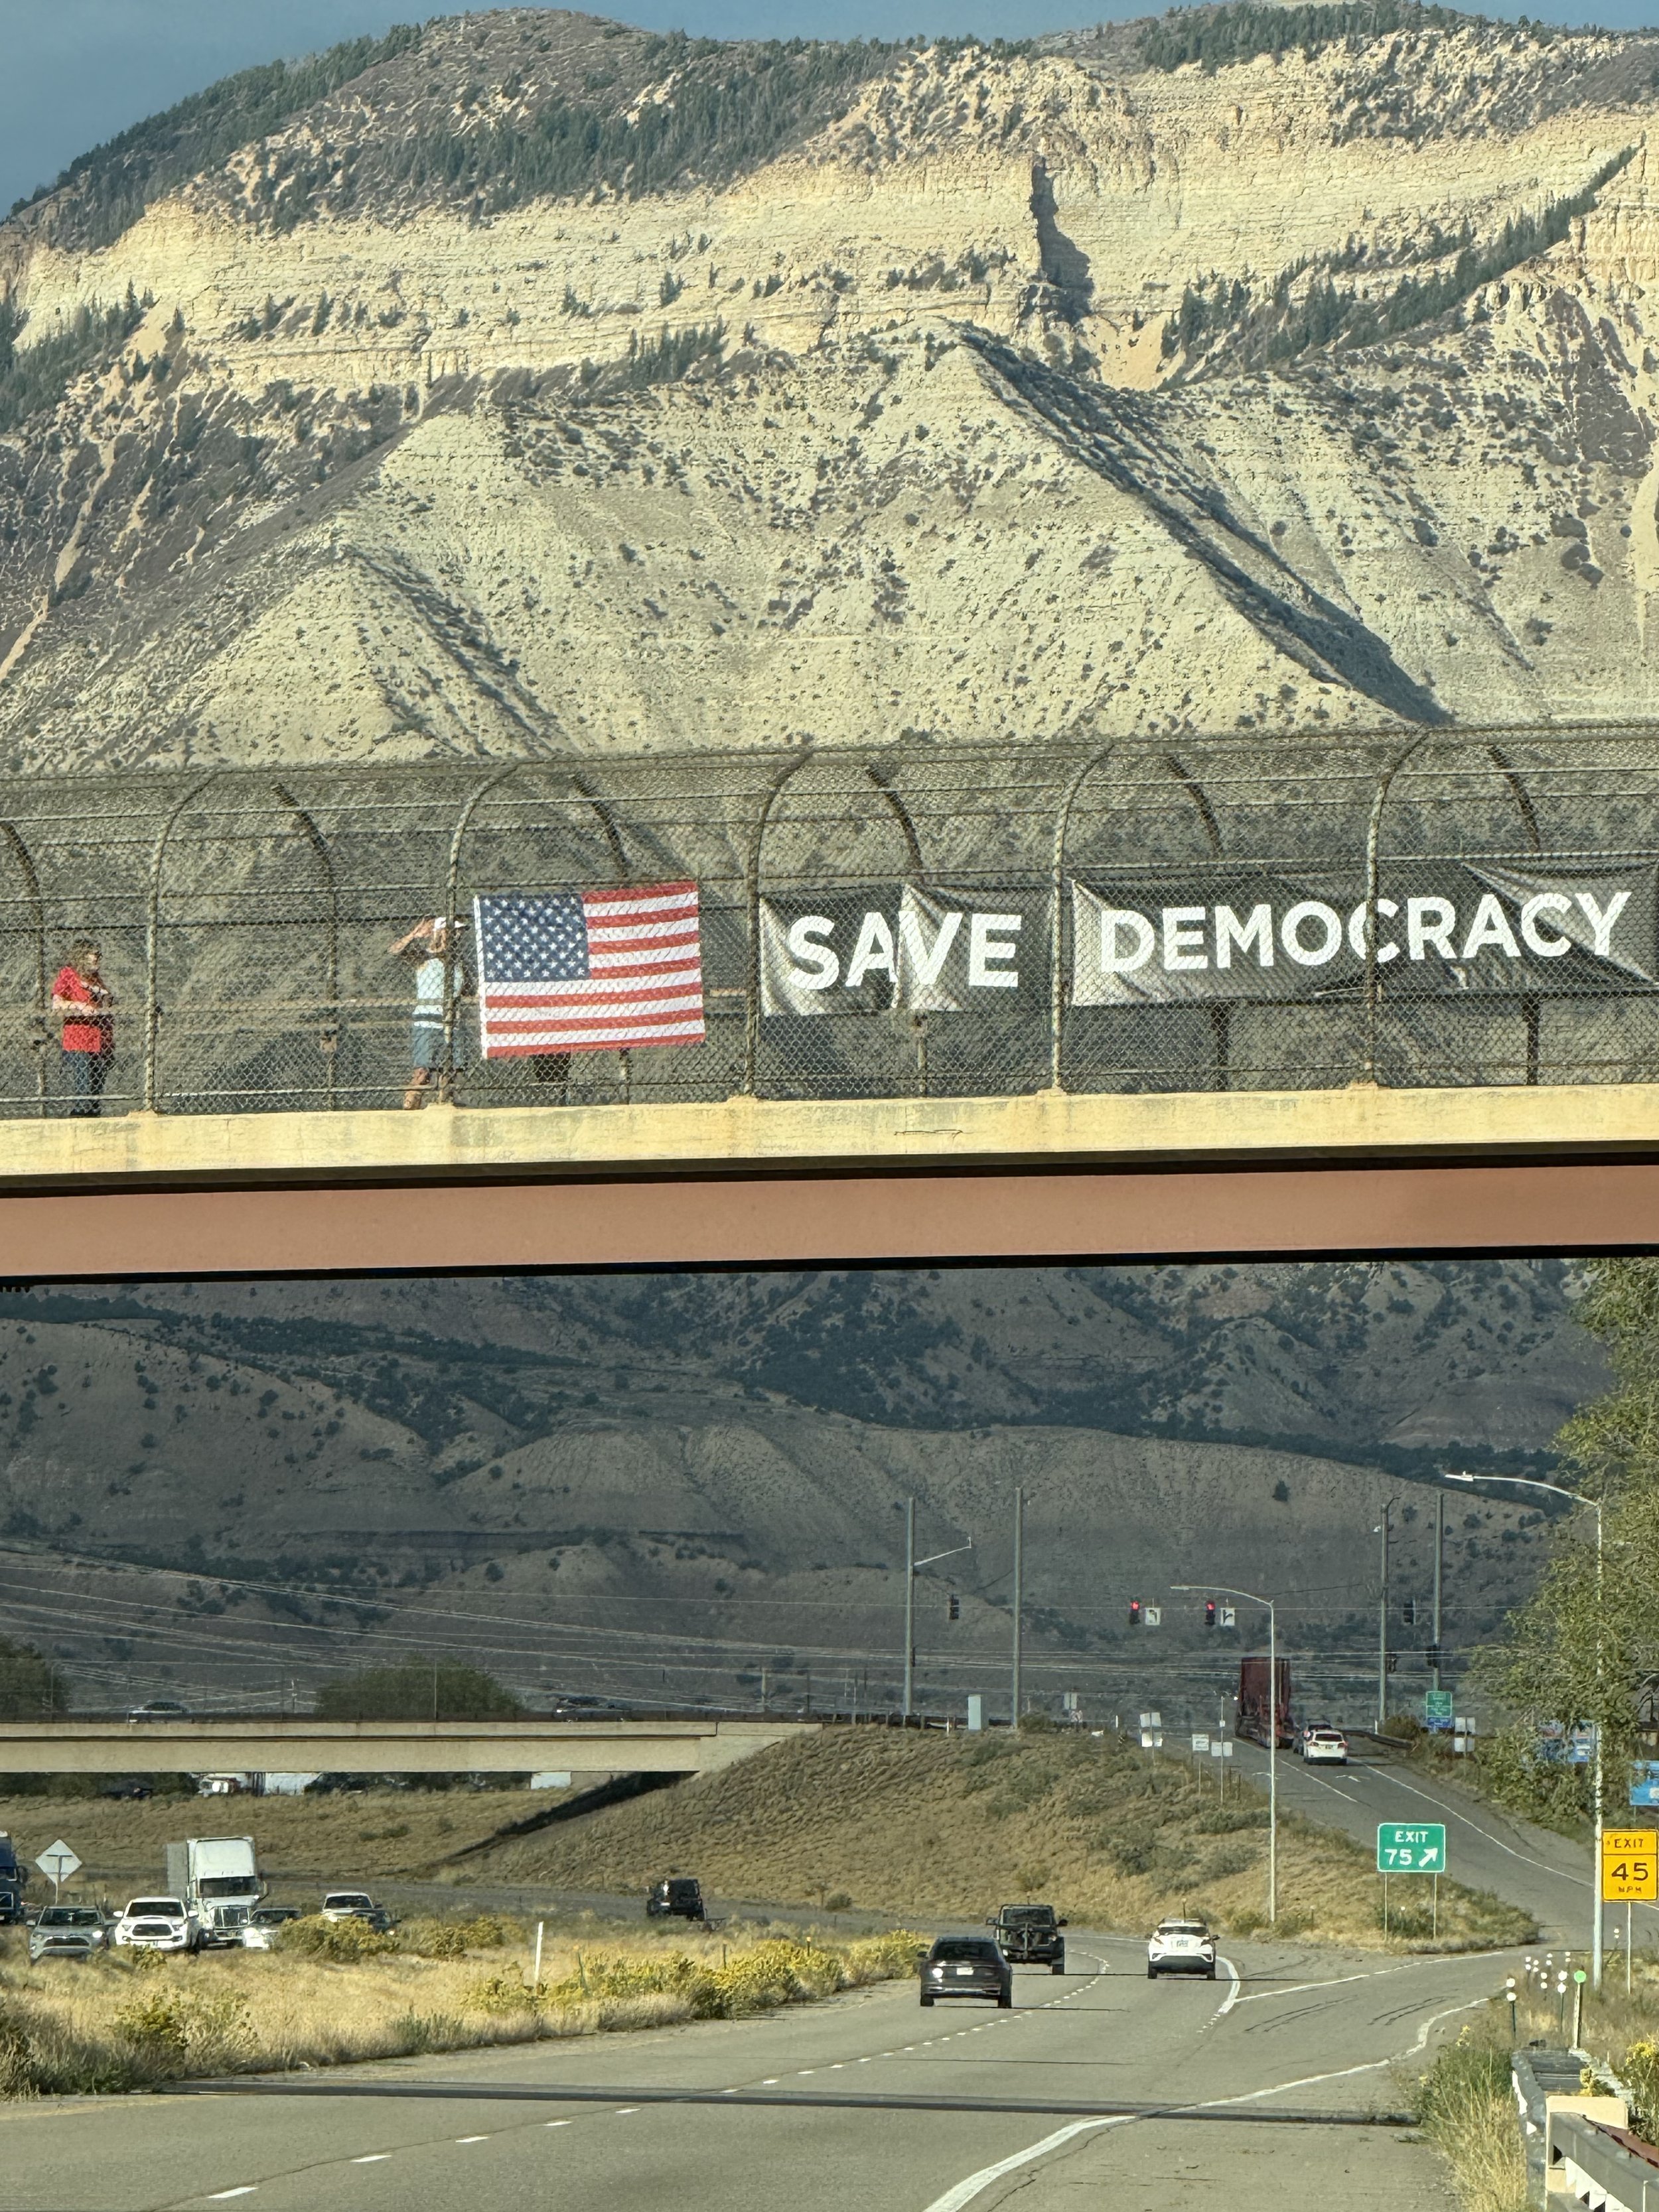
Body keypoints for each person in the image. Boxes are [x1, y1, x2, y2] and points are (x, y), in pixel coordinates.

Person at [390, 917, 453, 1109]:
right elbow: (395, 951)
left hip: (450, 1023)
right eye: (441, 931)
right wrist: (413, 935)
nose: (447, 935)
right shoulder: (423, 957)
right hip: (426, 1022)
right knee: (422, 1073)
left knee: (448, 1073)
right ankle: (409, 1109)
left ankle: (444, 1107)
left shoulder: (456, 961)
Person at [52, 938, 115, 1118]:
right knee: (84, 1079)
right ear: (83, 956)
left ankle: (93, 1113)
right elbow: (57, 1003)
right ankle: (79, 1113)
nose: (98, 958)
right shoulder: (69, 974)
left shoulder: (95, 979)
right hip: (79, 1038)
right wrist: (79, 1006)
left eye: (99, 955)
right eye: (94, 954)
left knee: (97, 1081)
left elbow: (105, 999)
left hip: (99, 1038)